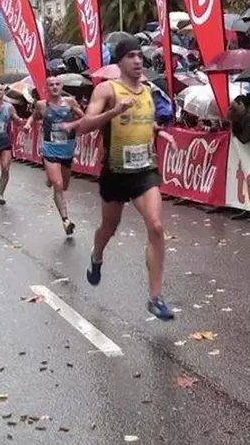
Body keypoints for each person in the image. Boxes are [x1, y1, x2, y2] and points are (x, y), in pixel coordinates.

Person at [75, 38, 176, 320]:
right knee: (109, 227)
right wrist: (113, 111)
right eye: (131, 55)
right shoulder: (107, 90)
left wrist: (158, 130)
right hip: (115, 172)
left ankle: (155, 297)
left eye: (140, 55)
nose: (137, 60)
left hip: (144, 170)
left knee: (156, 226)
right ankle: (96, 256)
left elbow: (144, 121)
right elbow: (85, 125)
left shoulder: (149, 91)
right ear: (119, 61)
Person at [25, 76, 85, 235]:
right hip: (50, 149)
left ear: (61, 86)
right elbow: (33, 117)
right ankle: (66, 220)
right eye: (51, 85)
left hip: (67, 150)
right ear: (46, 88)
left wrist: (74, 125)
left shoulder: (70, 103)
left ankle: (50, 178)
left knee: (64, 186)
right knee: (58, 184)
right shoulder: (42, 105)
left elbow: (84, 118)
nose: (55, 87)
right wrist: (28, 124)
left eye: (57, 84)